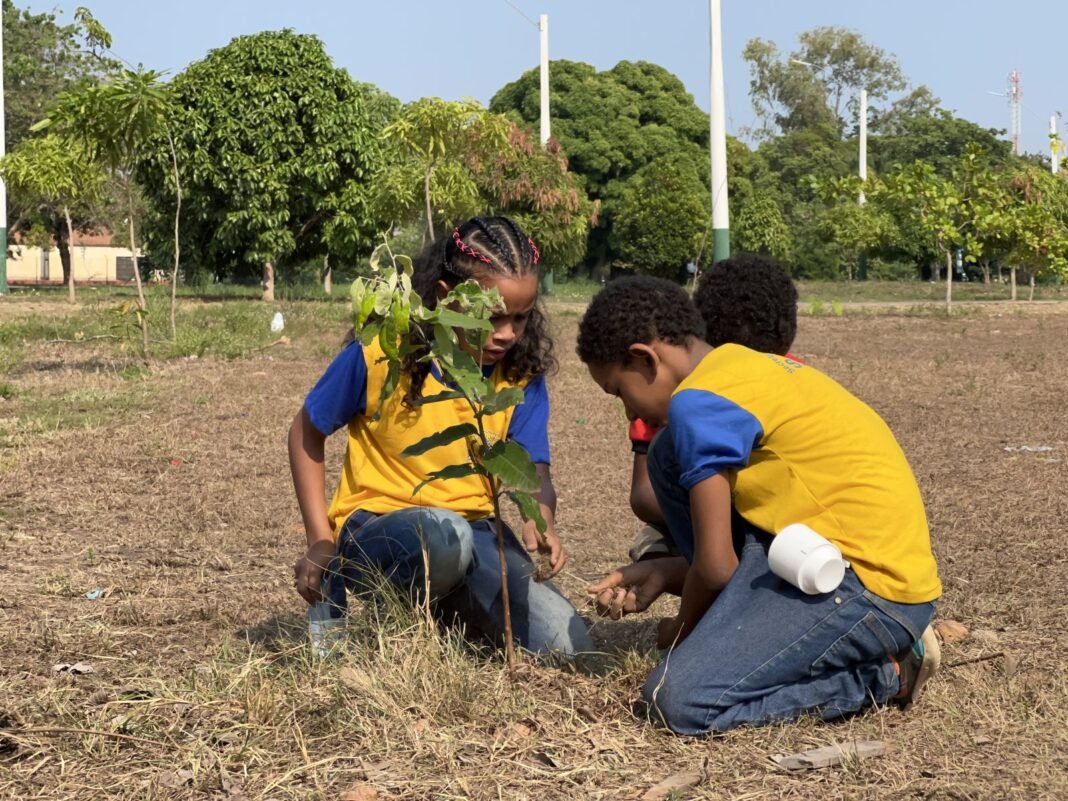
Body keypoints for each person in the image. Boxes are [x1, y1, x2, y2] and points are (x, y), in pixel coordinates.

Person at [577, 276, 941, 734]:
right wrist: (668, 572)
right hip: (838, 562)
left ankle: (887, 673)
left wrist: (682, 634)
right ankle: (734, 626)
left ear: (644, 358)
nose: (629, 413)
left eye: (619, 391)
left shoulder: (696, 404)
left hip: (872, 592)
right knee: (668, 453)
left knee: (678, 699)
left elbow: (716, 569)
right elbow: (718, 560)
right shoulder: (739, 364)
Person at [288, 215, 592, 657]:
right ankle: (396, 613)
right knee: (447, 537)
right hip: (377, 528)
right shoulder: (384, 354)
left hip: (477, 533)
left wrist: (539, 518)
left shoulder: (520, 376)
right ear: (447, 296)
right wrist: (320, 538)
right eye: (493, 317)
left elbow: (532, 468)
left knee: (567, 646)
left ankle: (448, 614)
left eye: (521, 318)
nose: (508, 334)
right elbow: (305, 433)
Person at [627, 255, 800, 562]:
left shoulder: (792, 381)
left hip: (782, 528)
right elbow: (644, 496)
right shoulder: (672, 394)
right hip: (712, 521)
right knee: (658, 549)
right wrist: (710, 505)